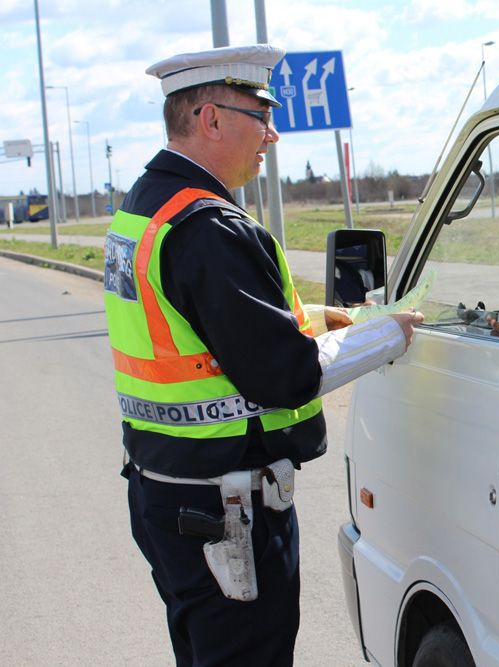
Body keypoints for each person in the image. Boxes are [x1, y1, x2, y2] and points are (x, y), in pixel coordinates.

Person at [102, 45, 423, 666]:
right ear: (211, 119)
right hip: (227, 509)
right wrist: (388, 335)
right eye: (260, 114)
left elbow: (215, 327)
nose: (272, 134)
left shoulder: (147, 204)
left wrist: (331, 319)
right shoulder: (209, 226)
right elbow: (285, 373)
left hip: (164, 489)